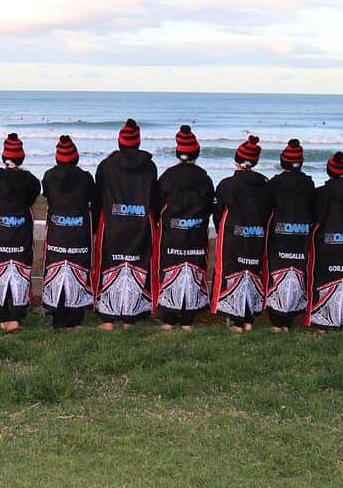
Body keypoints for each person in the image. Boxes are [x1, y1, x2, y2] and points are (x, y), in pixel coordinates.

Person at [93, 118, 159, 330]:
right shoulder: (149, 166)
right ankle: (133, 317)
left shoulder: (106, 165)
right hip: (140, 222)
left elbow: (98, 195)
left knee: (110, 264)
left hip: (113, 222)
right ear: (138, 143)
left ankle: (108, 318)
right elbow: (154, 196)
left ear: (120, 142)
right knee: (139, 264)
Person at [155, 126, 214, 331]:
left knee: (170, 271)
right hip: (196, 235)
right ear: (196, 153)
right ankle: (188, 321)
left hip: (171, 237)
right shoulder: (205, 179)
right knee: (194, 271)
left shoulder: (167, 177)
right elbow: (209, 208)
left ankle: (169, 320)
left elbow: (157, 204)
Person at [212, 135, 272, 332]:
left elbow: (218, 214)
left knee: (232, 272)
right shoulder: (265, 186)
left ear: (236, 161)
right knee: (253, 272)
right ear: (255, 162)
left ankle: (236, 322)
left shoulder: (226, 185)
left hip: (232, 237)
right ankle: (248, 319)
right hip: (257, 236)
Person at [0, 134, 41, 330]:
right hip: (21, 231)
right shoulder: (31, 180)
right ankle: (16, 317)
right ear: (22, 158)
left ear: (3, 157)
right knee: (20, 270)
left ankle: (2, 317)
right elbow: (32, 198)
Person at [40, 135, 96, 329]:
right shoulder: (86, 177)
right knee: (78, 271)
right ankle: (75, 318)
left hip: (57, 232)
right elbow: (93, 197)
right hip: (79, 234)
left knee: (55, 270)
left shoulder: (48, 176)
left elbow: (47, 194)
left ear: (57, 158)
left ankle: (57, 315)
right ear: (76, 158)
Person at [306, 151, 343, 330]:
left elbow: (313, 218)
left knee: (323, 278)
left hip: (325, 246)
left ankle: (322, 324)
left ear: (328, 171)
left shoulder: (320, 194)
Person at [264, 139, 315, 332]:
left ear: (282, 162)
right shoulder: (309, 184)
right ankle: (288, 321)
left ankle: (277, 322)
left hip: (279, 237)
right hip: (301, 237)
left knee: (277, 272)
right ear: (301, 163)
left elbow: (267, 209)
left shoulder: (275, 183)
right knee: (298, 273)